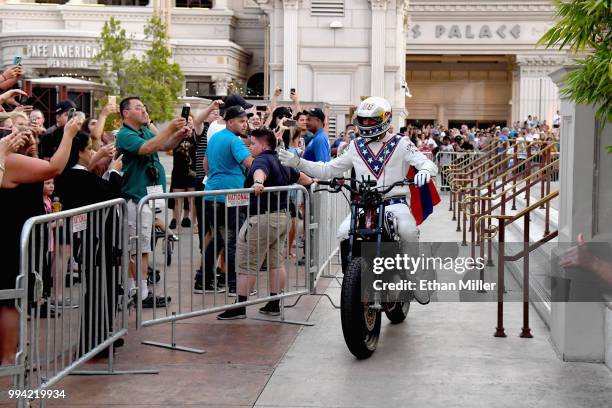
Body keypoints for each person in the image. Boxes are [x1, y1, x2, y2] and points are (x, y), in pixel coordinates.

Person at [279, 96, 437, 304]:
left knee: (408, 230)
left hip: (394, 201)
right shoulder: (355, 146)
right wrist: (299, 162)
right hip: (365, 204)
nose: (367, 124)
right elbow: (328, 169)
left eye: (372, 120)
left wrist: (424, 171)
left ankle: (414, 278)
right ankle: (352, 281)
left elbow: (426, 163)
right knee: (344, 232)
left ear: (385, 119)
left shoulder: (401, 143)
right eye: (363, 120)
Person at [0, 116, 79, 365]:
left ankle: (12, 353)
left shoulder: (16, 159)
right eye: (16, 129)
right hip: (9, 239)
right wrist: (68, 134)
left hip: (22, 238)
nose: (22, 133)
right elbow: (54, 168)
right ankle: (9, 357)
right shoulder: (8, 162)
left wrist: (30, 145)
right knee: (8, 301)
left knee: (15, 298)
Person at [217, 127, 314, 320]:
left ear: (263, 144)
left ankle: (240, 306)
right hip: (283, 218)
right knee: (276, 261)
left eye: (252, 143)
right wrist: (315, 181)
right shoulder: (282, 159)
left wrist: (258, 183)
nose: (250, 147)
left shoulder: (261, 159)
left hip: (262, 219)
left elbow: (259, 172)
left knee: (247, 261)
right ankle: (273, 303)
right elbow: (301, 178)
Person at [54, 131, 124, 355]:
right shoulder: (78, 177)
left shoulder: (70, 175)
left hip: (94, 241)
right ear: (80, 152)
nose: (93, 153)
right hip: (95, 242)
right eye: (90, 149)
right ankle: (96, 340)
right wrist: (115, 171)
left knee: (105, 288)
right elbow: (109, 192)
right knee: (99, 291)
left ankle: (103, 335)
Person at [116, 96, 190, 308]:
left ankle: (139, 290)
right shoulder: (125, 134)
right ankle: (139, 292)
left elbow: (164, 145)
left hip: (147, 198)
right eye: (138, 108)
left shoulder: (142, 131)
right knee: (138, 247)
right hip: (135, 198)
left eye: (143, 107)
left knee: (143, 247)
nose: (143, 111)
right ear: (125, 113)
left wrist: (178, 135)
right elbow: (147, 148)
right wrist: (169, 129)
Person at [195, 105, 254, 295]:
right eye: (241, 121)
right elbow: (250, 164)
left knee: (218, 240)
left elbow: (205, 164)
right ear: (230, 122)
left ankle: (203, 280)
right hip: (231, 196)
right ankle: (234, 284)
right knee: (232, 241)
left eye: (245, 121)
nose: (244, 124)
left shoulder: (214, 138)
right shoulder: (234, 141)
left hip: (212, 193)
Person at [169, 114, 197, 230]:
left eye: (190, 120)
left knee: (192, 199)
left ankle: (193, 222)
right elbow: (167, 148)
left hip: (192, 171)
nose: (188, 122)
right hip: (178, 171)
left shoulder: (196, 135)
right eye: (186, 120)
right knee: (177, 199)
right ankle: (176, 220)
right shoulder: (176, 136)